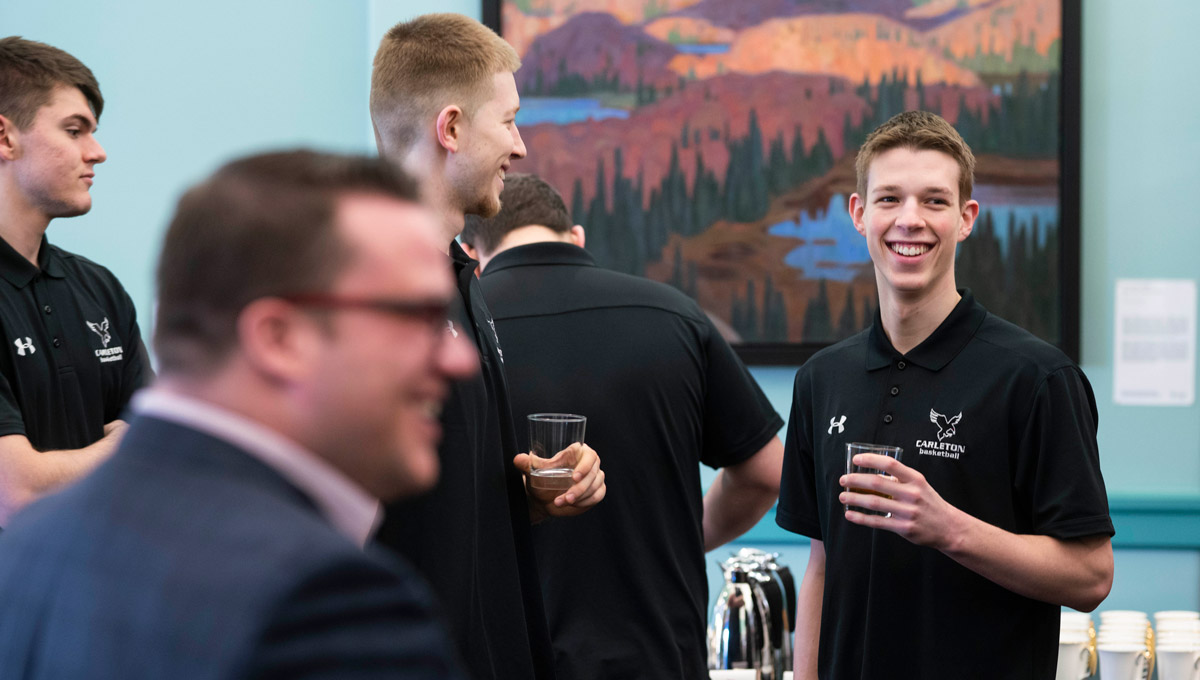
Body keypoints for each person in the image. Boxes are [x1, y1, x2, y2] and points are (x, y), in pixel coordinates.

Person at [0, 150, 476, 679]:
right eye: (418, 316)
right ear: (278, 338)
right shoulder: (331, 602)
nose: (460, 358)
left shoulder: (28, 551)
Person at [776, 110, 1114, 680]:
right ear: (859, 215)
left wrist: (949, 528)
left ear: (965, 219)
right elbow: (823, 565)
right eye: (889, 199)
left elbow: (1089, 577)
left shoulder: (1036, 379)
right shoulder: (821, 379)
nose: (910, 220)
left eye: (934, 201)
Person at [462, 172, 786, 680]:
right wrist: (683, 538)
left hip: (516, 658)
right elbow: (767, 472)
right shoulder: (677, 316)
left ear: (471, 253)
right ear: (576, 237)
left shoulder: (459, 334)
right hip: (659, 656)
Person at [369, 13, 606, 680]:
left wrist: (529, 496)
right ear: (450, 129)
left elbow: (435, 500)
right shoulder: (367, 285)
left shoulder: (462, 279)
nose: (521, 146)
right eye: (508, 121)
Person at [0, 36, 151, 525]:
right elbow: (15, 493)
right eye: (74, 130)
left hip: (97, 587)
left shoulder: (100, 288)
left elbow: (163, 458)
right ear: (5, 138)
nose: (98, 152)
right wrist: (121, 449)